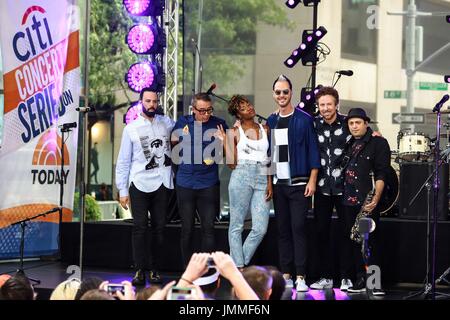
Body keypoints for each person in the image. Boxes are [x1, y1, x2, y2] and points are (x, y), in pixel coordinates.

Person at [267, 75, 321, 292]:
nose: (282, 95)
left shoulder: (304, 119)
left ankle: (301, 275)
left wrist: (313, 179)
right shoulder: (271, 121)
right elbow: (268, 155)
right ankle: (286, 274)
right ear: (274, 95)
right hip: (279, 184)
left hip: (300, 184)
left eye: (285, 92)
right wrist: (269, 183)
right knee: (282, 230)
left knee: (298, 228)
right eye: (278, 92)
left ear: (291, 92)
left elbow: (313, 150)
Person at [116, 87, 175, 286]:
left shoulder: (166, 123)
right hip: (139, 182)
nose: (152, 104)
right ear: (141, 102)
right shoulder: (130, 128)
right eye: (148, 101)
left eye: (155, 101)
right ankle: (140, 269)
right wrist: (122, 190)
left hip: (162, 182)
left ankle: (154, 268)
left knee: (159, 228)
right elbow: (124, 161)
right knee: (140, 228)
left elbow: (184, 132)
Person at [171, 93, 228, 267]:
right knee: (187, 230)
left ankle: (207, 271)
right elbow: (173, 147)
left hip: (208, 184)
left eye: (209, 110)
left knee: (208, 229)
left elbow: (228, 156)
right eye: (201, 111)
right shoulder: (182, 123)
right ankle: (187, 271)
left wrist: (223, 141)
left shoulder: (218, 124)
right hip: (185, 183)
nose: (205, 114)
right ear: (193, 109)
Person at [216, 95, 272, 269]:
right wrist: (226, 141)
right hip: (241, 175)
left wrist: (270, 182)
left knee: (260, 228)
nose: (249, 107)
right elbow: (231, 164)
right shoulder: (234, 132)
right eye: (243, 107)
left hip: (263, 176)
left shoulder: (265, 129)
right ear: (238, 114)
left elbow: (268, 158)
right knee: (236, 225)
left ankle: (237, 263)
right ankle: (239, 268)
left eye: (248, 104)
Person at [309, 86, 354, 291]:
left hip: (345, 187)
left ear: (337, 104)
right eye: (322, 105)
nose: (325, 108)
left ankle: (346, 277)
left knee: (347, 232)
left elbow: (366, 134)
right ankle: (325, 276)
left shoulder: (348, 123)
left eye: (329, 104)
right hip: (321, 187)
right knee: (320, 232)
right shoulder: (313, 123)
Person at [342, 108, 390, 296]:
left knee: (371, 242)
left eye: (358, 123)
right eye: (351, 123)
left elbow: (382, 172)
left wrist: (376, 198)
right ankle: (361, 279)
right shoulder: (348, 144)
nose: (354, 126)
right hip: (348, 200)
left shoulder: (378, 143)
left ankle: (375, 282)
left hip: (367, 201)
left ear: (366, 124)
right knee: (355, 240)